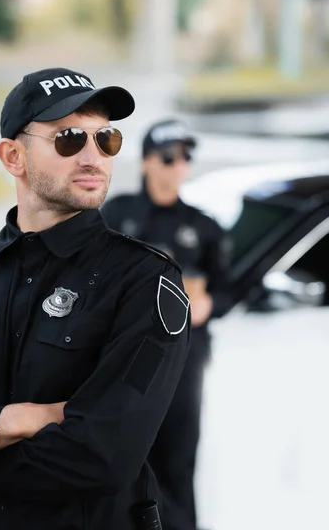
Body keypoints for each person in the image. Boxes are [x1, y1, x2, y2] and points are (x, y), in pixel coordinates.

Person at [0, 68, 191, 530]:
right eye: (69, 137)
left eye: (105, 138)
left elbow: (104, 453)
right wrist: (12, 420)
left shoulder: (144, 281)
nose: (94, 157)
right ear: (13, 156)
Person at [102, 119, 232, 530]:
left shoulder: (205, 226)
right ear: (145, 162)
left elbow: (228, 289)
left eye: (186, 156)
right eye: (168, 155)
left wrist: (210, 303)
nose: (179, 165)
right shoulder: (116, 215)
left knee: (178, 459)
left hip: (184, 358)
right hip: (125, 355)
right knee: (123, 457)